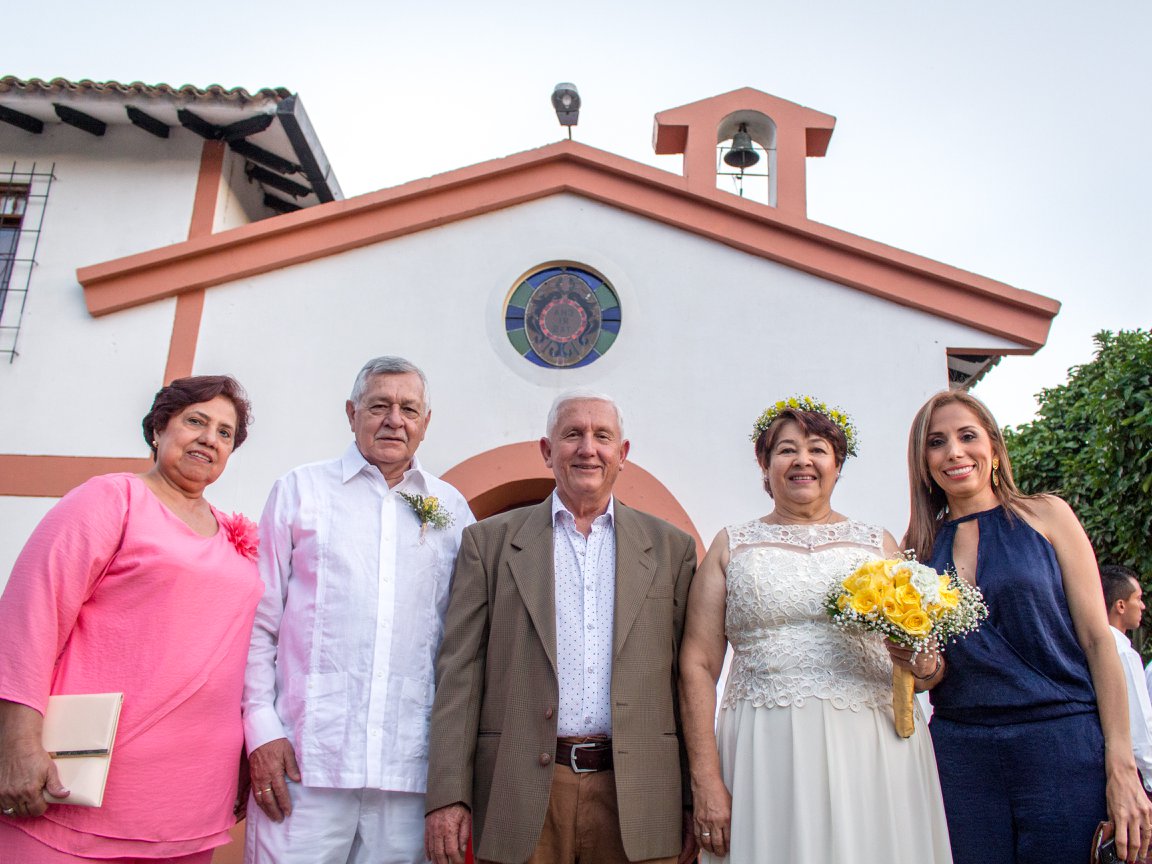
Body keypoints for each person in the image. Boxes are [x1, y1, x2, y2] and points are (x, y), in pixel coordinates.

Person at [424, 390, 697, 864]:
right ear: (547, 451)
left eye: (602, 436)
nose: (587, 448)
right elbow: (458, 675)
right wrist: (449, 793)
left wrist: (695, 796)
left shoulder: (671, 549)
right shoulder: (487, 544)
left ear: (622, 454)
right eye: (572, 435)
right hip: (520, 790)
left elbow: (687, 680)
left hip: (639, 794)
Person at [0, 375, 262, 863]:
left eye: (225, 433)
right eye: (196, 421)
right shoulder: (111, 500)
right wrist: (15, 744)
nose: (210, 437)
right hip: (76, 785)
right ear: (159, 428)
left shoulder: (235, 536)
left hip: (188, 802)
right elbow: (29, 619)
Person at [679, 397, 952, 863]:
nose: (802, 461)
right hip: (764, 746)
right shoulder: (732, 545)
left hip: (872, 743)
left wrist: (924, 664)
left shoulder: (877, 543)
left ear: (837, 464)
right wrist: (706, 777)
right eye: (785, 450)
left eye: (818, 449)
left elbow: (925, 665)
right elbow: (697, 664)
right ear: (764, 466)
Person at [242, 356, 474, 864]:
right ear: (351, 414)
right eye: (379, 406)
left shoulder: (450, 510)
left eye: (409, 408)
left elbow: (462, 643)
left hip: (408, 773)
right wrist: (262, 730)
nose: (395, 419)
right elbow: (259, 624)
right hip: (304, 765)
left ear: (426, 423)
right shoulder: (299, 491)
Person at [903, 390, 1152, 864]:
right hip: (960, 755)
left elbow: (1100, 641)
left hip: (1061, 743)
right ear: (923, 461)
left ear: (993, 447)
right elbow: (924, 674)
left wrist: (1121, 766)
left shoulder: (1048, 515)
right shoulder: (916, 546)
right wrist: (918, 663)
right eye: (936, 442)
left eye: (967, 436)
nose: (954, 451)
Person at [1102, 564, 1152, 793]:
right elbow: (1142, 731)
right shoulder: (1124, 654)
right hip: (1134, 777)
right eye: (1138, 598)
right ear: (1120, 605)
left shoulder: (1090, 648)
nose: (1142, 606)